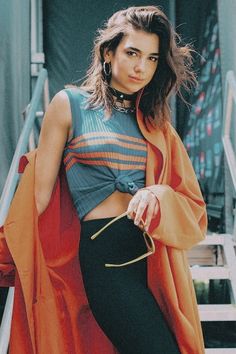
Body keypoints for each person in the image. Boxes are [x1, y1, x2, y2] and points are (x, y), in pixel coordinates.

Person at [0, 5, 207, 354]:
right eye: (132, 53)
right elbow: (38, 200)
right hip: (106, 260)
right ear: (108, 52)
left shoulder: (155, 123)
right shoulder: (69, 104)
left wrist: (156, 193)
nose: (142, 67)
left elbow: (191, 205)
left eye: (153, 58)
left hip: (153, 260)